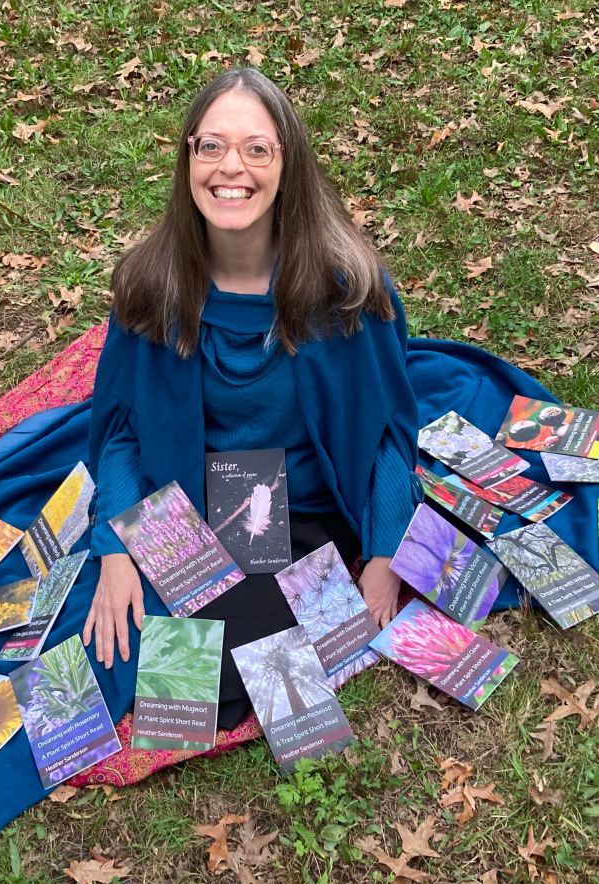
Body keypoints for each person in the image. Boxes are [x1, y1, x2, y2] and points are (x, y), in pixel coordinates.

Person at [81, 67, 424, 728]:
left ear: (286, 163)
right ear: (188, 157)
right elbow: (123, 429)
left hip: (301, 508)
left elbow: (384, 429)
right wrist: (115, 547)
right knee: (123, 659)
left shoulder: (346, 289)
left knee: (220, 684)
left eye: (256, 149)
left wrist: (385, 553)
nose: (230, 167)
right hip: (185, 499)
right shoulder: (152, 285)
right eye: (211, 146)